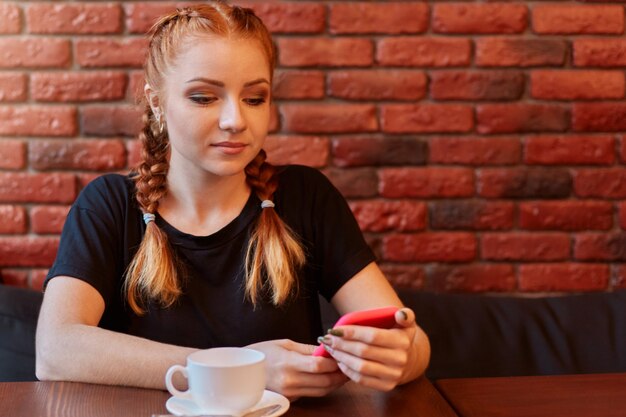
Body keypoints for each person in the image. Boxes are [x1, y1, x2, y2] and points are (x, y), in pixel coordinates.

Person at [35, 1, 430, 399]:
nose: (235, 120)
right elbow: (55, 351)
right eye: (204, 98)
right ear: (157, 102)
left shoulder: (306, 197)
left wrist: (401, 356)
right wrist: (239, 369)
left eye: (254, 99)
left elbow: (414, 345)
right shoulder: (109, 206)